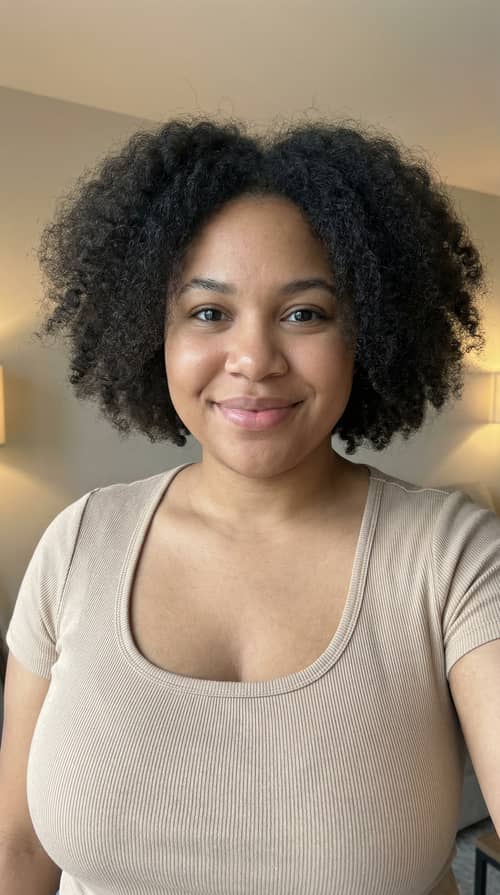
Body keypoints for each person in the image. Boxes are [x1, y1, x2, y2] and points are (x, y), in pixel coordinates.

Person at [2, 115, 498, 895]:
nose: (255, 359)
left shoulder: (455, 557)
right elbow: (20, 850)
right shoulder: (78, 542)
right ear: (150, 333)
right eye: (208, 312)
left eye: (305, 313)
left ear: (366, 334)